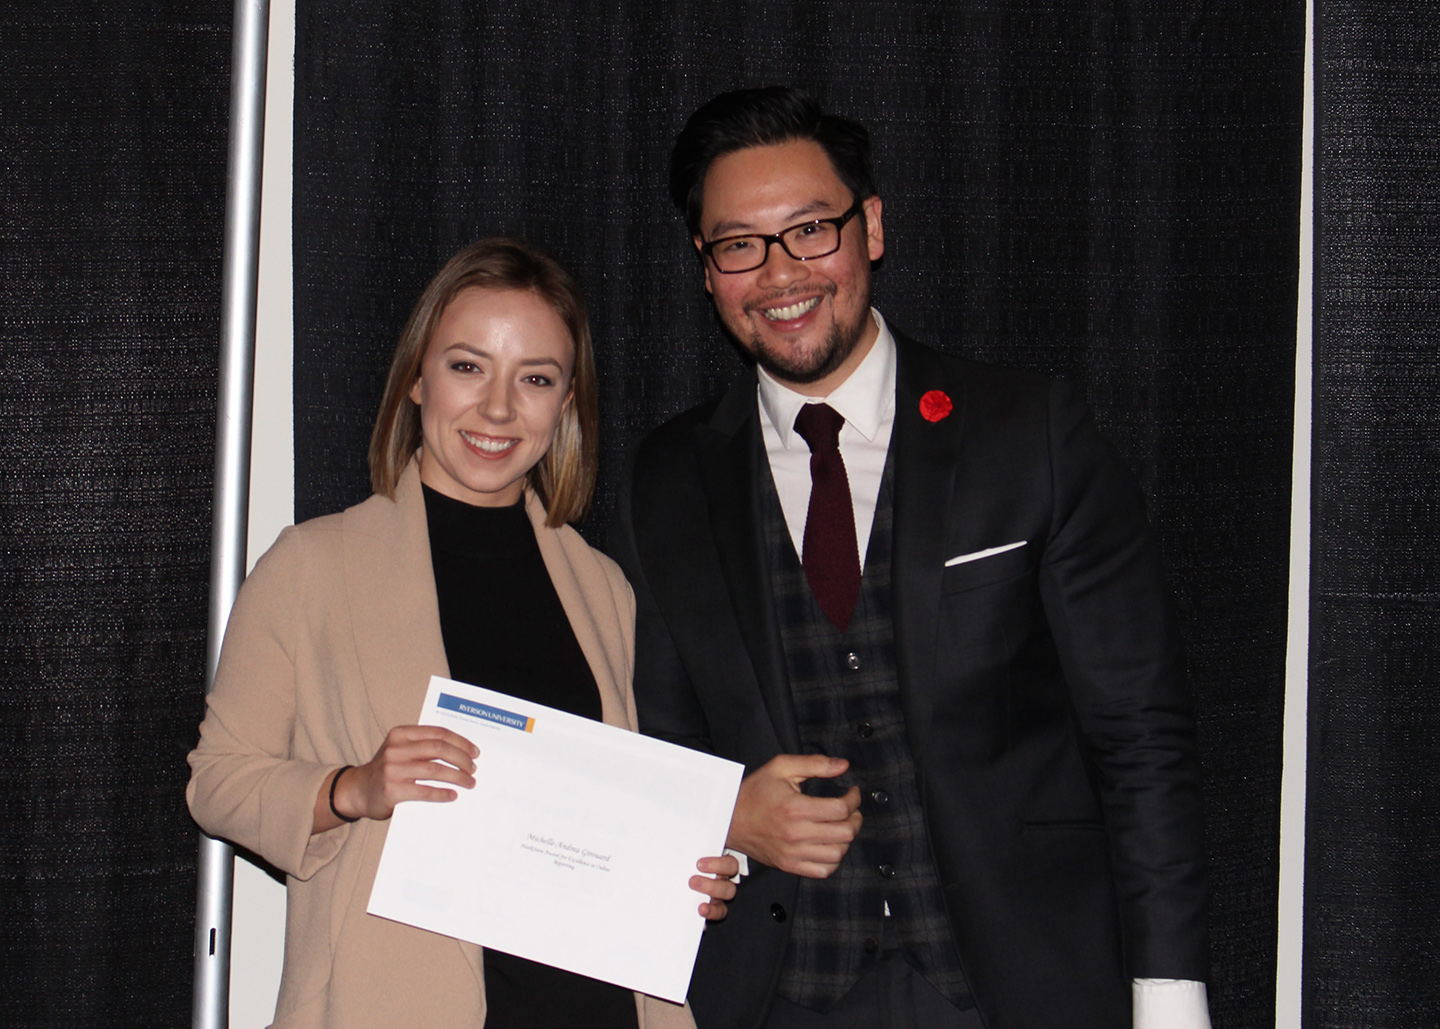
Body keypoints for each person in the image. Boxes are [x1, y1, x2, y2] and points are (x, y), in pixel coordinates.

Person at [611, 88, 1211, 1029]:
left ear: (871, 227)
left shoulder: (1030, 432)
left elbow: (1141, 738)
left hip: (1018, 986)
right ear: (706, 267)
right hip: (774, 993)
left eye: (810, 229)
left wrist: (1171, 995)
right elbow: (653, 749)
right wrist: (721, 814)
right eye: (740, 245)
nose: (779, 273)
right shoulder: (663, 480)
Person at [188, 237, 735, 1029]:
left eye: (536, 379)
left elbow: (614, 805)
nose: (499, 409)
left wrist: (678, 872)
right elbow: (218, 782)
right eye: (468, 367)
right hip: (393, 1002)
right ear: (417, 378)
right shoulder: (312, 564)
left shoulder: (604, 586)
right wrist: (353, 788)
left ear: (567, 402)